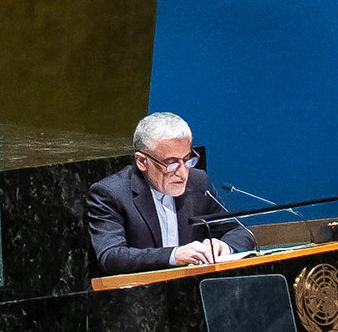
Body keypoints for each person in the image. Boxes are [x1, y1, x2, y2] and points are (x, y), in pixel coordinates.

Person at [84, 112, 244, 275]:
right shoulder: (111, 193)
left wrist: (225, 246)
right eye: (171, 163)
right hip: (137, 290)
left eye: (187, 160)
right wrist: (173, 256)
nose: (182, 173)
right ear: (142, 161)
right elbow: (111, 257)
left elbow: (239, 232)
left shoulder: (198, 182)